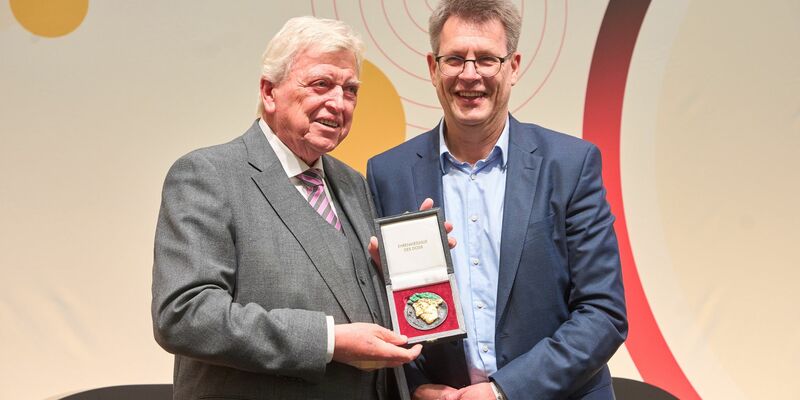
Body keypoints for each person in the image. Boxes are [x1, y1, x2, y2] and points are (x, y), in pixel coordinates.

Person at [366, 1, 627, 399]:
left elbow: (603, 314)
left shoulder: (570, 166)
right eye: (455, 59)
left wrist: (503, 391)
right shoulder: (389, 174)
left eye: (487, 59)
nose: (470, 76)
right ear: (433, 68)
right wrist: (416, 387)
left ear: (514, 66)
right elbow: (379, 313)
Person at [151, 16, 423, 400]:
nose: (338, 102)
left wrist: (415, 268)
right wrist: (328, 341)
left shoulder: (352, 183)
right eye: (321, 84)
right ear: (269, 92)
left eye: (350, 90)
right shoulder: (208, 175)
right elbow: (184, 315)